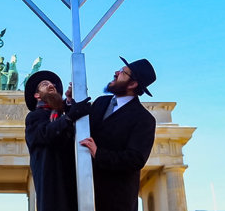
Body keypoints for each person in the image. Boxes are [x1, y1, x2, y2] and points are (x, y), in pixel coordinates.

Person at [79, 57, 157, 211]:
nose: (116, 73)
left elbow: (135, 159)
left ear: (133, 84)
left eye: (123, 72)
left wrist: (99, 153)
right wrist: (69, 101)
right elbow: (81, 123)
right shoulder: (101, 102)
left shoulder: (144, 119)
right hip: (86, 193)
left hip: (116, 200)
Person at [24, 70, 91, 211]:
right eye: (44, 84)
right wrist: (69, 116)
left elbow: (69, 118)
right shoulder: (34, 117)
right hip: (52, 187)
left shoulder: (63, 115)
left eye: (53, 84)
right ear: (37, 95)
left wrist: (71, 100)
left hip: (73, 184)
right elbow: (47, 133)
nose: (51, 85)